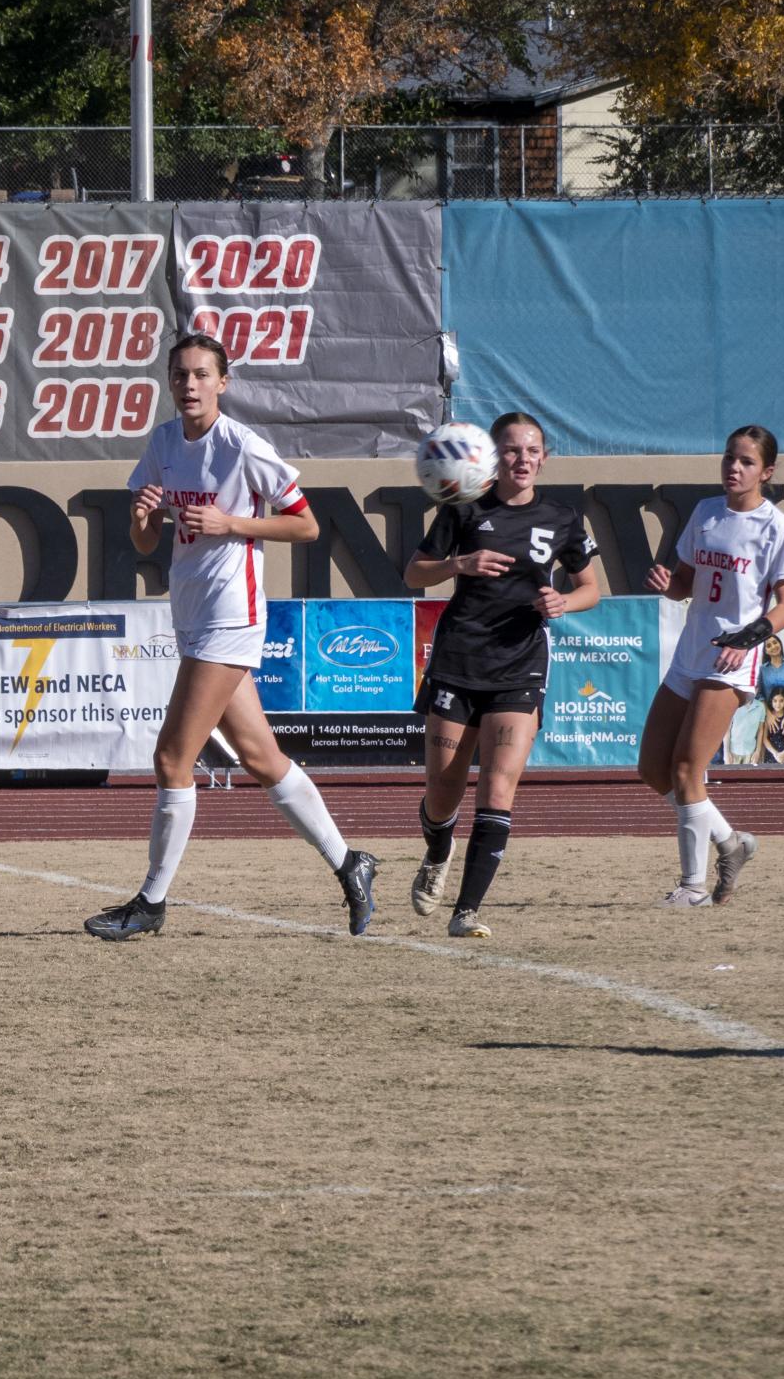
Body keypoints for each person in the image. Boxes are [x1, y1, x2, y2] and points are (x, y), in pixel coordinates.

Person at [84, 332, 379, 942]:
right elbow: (144, 543)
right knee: (262, 759)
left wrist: (231, 522)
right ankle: (351, 863)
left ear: (223, 382)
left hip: (232, 613)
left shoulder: (242, 446)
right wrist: (142, 518)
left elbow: (306, 524)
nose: (189, 385)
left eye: (200, 375)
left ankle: (152, 904)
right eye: (180, 375)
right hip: (191, 612)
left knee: (171, 757)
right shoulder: (164, 442)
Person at [402, 412, 602, 939]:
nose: (522, 459)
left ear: (544, 457)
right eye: (511, 450)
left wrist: (564, 601)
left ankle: (466, 911)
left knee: (498, 784)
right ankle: (437, 848)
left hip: (520, 664)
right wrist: (457, 566)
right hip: (459, 660)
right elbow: (413, 573)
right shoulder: (463, 506)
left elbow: (591, 589)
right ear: (494, 456)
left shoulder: (562, 516)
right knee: (443, 790)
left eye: (532, 450)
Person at [639, 424, 784, 906]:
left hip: (733, 660)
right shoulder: (706, 512)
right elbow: (685, 584)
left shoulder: (776, 527)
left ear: (766, 472)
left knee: (688, 768)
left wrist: (749, 639)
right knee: (652, 769)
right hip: (691, 653)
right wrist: (667, 581)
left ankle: (692, 888)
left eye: (747, 461)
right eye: (730, 457)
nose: (734, 467)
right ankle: (730, 843)